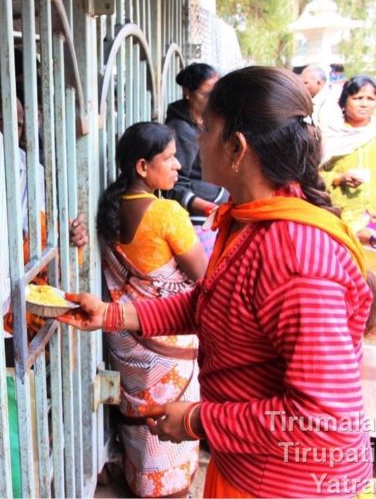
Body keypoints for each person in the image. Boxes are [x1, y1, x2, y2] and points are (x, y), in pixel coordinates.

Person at [60, 67, 374, 497]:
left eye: (205, 129)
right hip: (249, 470)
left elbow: (318, 418)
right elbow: (212, 302)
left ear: (237, 148)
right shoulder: (249, 224)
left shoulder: (295, 256)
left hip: (283, 484)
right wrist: (111, 314)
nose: (193, 143)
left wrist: (196, 419)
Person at [96, 121, 205, 497]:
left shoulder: (107, 210)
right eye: (170, 158)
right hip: (166, 342)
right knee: (170, 425)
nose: (178, 166)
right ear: (143, 167)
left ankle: (139, 480)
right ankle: (168, 491)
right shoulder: (167, 214)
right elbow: (203, 277)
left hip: (124, 341)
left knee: (138, 422)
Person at [164, 63, 226, 256]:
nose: (214, 100)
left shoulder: (207, 121)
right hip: (199, 220)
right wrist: (209, 207)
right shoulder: (181, 130)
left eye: (217, 94)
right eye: (207, 94)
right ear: (187, 92)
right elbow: (173, 186)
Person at [320, 75, 376, 246]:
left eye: (371, 99)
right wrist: (339, 178)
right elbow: (312, 175)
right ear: (344, 102)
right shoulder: (328, 136)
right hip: (340, 218)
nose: (364, 104)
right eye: (358, 98)